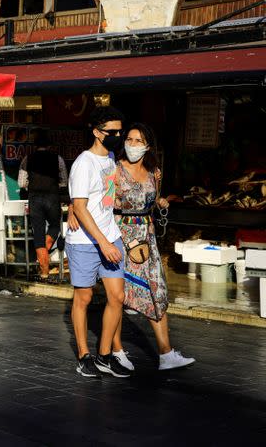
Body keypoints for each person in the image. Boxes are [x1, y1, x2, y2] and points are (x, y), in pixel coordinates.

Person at [110, 123, 195, 371]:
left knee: (157, 290)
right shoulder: (114, 170)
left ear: (148, 145)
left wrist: (160, 202)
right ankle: (115, 349)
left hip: (147, 237)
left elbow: (153, 200)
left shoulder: (154, 172)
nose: (133, 144)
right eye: (130, 139)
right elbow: (101, 201)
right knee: (119, 295)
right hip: (121, 234)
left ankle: (166, 353)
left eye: (139, 140)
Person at [65, 106, 131, 378]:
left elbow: (100, 197)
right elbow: (80, 208)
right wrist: (103, 243)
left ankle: (105, 355)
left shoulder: (112, 157)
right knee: (84, 297)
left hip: (109, 234)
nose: (117, 136)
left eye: (119, 131)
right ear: (96, 132)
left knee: (117, 296)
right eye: (111, 132)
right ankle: (84, 355)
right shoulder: (84, 163)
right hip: (85, 242)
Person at [18, 130, 69, 280]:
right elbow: (64, 181)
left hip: (34, 198)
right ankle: (46, 251)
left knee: (38, 233)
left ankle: (44, 272)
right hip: (53, 197)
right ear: (49, 145)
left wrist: (31, 184)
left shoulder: (28, 159)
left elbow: (21, 183)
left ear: (35, 146)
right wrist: (53, 184)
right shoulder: (57, 159)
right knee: (55, 226)